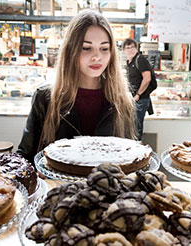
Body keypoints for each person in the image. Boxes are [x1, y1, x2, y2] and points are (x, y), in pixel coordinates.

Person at [17, 10, 136, 163]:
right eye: (86, 48)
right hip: (57, 186)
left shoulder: (123, 101)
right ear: (71, 50)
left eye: (104, 48)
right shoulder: (46, 97)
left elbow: (132, 157)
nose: (97, 56)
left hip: (106, 187)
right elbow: (24, 156)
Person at [123, 38, 153, 140]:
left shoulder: (140, 59)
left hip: (140, 100)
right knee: (132, 128)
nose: (130, 50)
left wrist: (138, 95)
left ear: (136, 48)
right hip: (133, 99)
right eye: (127, 48)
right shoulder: (129, 62)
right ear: (124, 50)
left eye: (132, 47)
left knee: (136, 129)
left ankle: (138, 153)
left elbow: (147, 78)